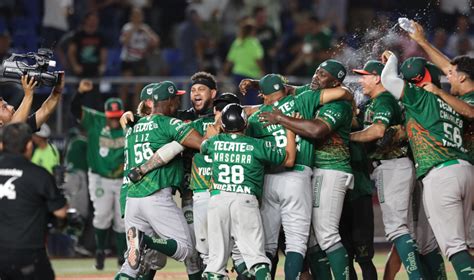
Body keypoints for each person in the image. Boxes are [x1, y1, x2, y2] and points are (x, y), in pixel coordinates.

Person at [381, 50, 474, 279]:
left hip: (440, 173)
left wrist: (392, 60)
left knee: (455, 247)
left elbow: (388, 80)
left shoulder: (420, 96)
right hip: (465, 169)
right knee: (467, 243)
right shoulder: (452, 102)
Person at [259, 60, 353, 280]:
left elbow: (317, 130)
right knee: (310, 238)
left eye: (322, 74)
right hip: (315, 170)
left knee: (327, 235)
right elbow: (284, 91)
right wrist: (258, 84)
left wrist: (281, 119)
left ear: (335, 82)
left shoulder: (337, 104)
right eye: (316, 71)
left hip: (331, 169)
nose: (315, 76)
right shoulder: (311, 94)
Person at [116, 81, 204, 279]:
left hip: (132, 198)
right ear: (169, 101)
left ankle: (140, 241)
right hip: (156, 195)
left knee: (131, 267)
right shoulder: (169, 123)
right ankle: (144, 240)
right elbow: (202, 144)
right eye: (176, 99)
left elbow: (140, 123)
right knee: (185, 249)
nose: (179, 102)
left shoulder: (133, 127)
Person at [349, 60, 426, 279]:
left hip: (392, 166)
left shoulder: (383, 99)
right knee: (405, 231)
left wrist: (345, 137)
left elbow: (377, 131)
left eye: (365, 75)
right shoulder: (379, 101)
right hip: (402, 166)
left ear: (377, 78)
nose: (361, 79)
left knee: (397, 229)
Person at [202, 103, 296, 280]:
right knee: (256, 258)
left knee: (215, 263)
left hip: (217, 200)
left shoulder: (214, 142)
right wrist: (290, 131)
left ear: (223, 125)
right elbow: (288, 159)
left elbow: (203, 146)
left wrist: (216, 130)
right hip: (244, 200)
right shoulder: (256, 145)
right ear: (245, 123)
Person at [70, 79, 126, 270]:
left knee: (122, 219)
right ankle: (100, 251)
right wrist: (80, 93)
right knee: (102, 215)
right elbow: (75, 110)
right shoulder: (96, 120)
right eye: (111, 116)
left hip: (122, 179)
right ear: (106, 114)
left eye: (117, 116)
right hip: (100, 177)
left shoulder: (129, 125)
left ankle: (121, 256)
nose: (113, 119)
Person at [0, 122, 68, 280]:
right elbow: (61, 212)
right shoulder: (39, 174)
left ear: (2, 144)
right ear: (29, 145)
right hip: (29, 254)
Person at [408, 20, 474, 163]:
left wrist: (440, 92)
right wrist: (422, 41)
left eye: (451, 74)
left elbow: (471, 112)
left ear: (462, 77)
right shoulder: (462, 92)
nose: (447, 76)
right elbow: (447, 66)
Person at [119, 7, 160, 110]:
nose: (137, 18)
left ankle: (136, 113)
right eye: (135, 16)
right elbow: (124, 42)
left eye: (139, 16)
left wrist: (146, 31)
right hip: (128, 60)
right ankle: (120, 112)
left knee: (138, 90)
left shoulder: (145, 28)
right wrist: (134, 29)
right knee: (125, 87)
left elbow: (156, 42)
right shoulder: (127, 27)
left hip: (140, 61)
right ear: (131, 17)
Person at [0, 73, 65, 131]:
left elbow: (46, 110)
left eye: (7, 105)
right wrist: (28, 95)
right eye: (4, 108)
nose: (11, 107)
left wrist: (57, 91)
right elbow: (16, 130)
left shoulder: (24, 125)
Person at [224, 18, 265, 105]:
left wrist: (224, 73)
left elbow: (229, 61)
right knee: (251, 103)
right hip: (250, 77)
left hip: (237, 75)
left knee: (238, 101)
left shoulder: (237, 42)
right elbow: (258, 59)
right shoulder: (254, 43)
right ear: (252, 31)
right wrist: (263, 72)